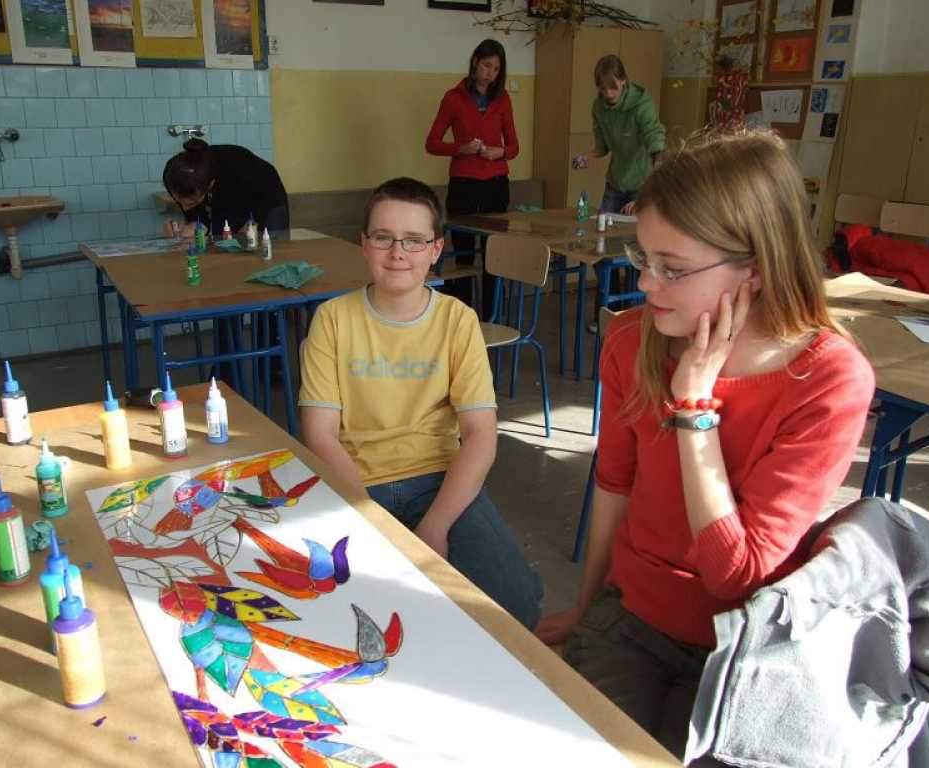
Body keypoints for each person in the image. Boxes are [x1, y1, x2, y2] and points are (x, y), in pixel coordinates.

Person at [536, 132, 875, 762]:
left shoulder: (828, 379)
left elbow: (734, 574)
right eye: (643, 258)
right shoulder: (633, 340)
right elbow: (614, 484)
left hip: (741, 643)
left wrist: (695, 405)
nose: (645, 282)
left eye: (673, 268)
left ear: (757, 267)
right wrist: (586, 607)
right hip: (632, 616)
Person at [298, 177, 542, 630]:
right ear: (364, 244)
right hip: (356, 483)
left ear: (435, 249)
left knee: (518, 604)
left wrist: (435, 527)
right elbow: (321, 434)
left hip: (438, 479)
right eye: (383, 237)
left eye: (414, 240)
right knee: (346, 613)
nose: (398, 252)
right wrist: (369, 519)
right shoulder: (332, 319)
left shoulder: (457, 320)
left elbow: (480, 435)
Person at [426, 38, 519, 318]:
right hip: (464, 185)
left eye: (496, 69)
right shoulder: (453, 98)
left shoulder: (502, 99)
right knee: (464, 256)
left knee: (494, 254)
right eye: (487, 66)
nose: (490, 73)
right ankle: (463, 318)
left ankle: (492, 318)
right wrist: (462, 148)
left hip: (495, 184)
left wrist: (500, 152)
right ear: (475, 62)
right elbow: (432, 143)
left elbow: (514, 146)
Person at [573, 54, 665, 332]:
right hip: (616, 183)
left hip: (643, 183)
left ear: (623, 82)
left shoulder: (641, 104)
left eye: (612, 87)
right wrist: (588, 157)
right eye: (602, 88)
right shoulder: (599, 107)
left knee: (637, 254)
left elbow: (656, 144)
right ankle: (606, 315)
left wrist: (645, 196)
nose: (608, 94)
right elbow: (602, 147)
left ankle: (635, 318)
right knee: (603, 249)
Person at [162, 139, 289, 239]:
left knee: (268, 244)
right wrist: (194, 225)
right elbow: (199, 217)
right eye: (178, 201)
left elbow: (263, 200)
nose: (184, 208)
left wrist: (252, 223)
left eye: (191, 203)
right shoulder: (172, 177)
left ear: (210, 185)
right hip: (228, 196)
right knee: (223, 244)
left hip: (267, 196)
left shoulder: (238, 168)